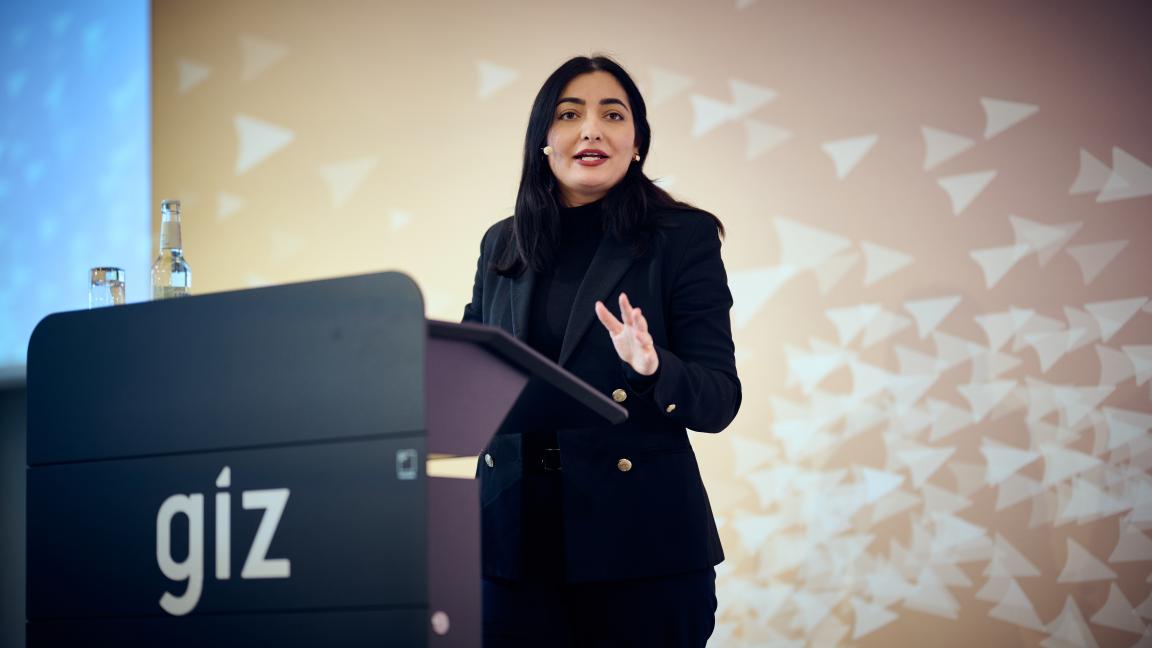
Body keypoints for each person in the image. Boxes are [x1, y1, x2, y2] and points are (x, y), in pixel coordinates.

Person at [462, 54, 741, 647]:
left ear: (637, 142)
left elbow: (719, 400)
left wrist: (652, 367)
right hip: (510, 546)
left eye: (612, 115)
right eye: (569, 114)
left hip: (640, 551)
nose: (591, 129)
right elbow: (469, 378)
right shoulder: (502, 243)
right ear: (543, 139)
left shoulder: (682, 237)